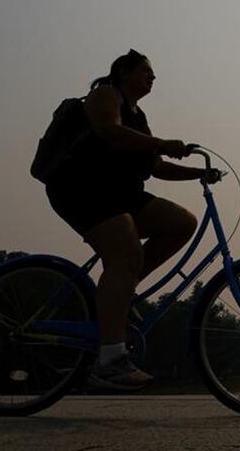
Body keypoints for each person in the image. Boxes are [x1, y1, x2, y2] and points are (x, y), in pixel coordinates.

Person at [45, 49, 218, 389]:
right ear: (124, 72)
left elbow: (154, 166)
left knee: (182, 222)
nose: (152, 77)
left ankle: (123, 293)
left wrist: (200, 173)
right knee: (125, 253)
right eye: (145, 71)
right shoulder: (105, 94)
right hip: (82, 187)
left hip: (122, 194)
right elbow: (109, 131)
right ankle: (110, 359)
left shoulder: (139, 116)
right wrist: (162, 143)